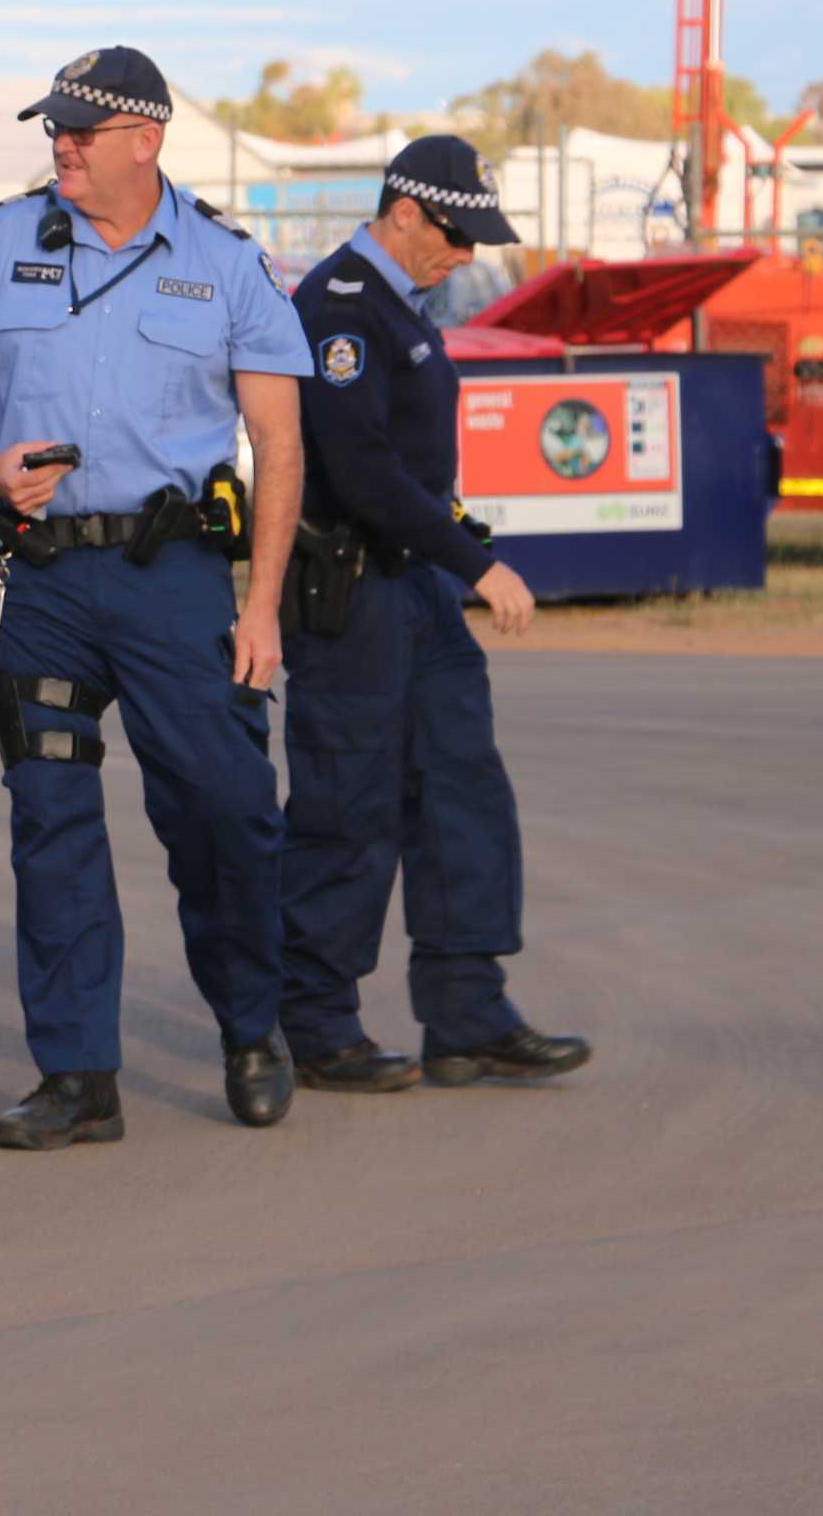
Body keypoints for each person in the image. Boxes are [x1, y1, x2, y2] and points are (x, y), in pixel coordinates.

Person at [0, 46, 313, 1150]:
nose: (63, 144)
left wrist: (261, 604)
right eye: (56, 127)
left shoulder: (227, 262)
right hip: (34, 576)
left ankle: (251, 1027)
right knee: (52, 820)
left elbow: (278, 440)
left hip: (171, 577)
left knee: (223, 806)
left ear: (149, 137)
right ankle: (78, 1073)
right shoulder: (2, 238)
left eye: (84, 128)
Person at [278, 136, 591, 1093]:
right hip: (355, 591)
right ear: (404, 212)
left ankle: (467, 1013)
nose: (466, 254)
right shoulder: (338, 308)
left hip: (415, 587)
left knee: (461, 790)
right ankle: (318, 1020)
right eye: (457, 235)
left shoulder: (403, 307)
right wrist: (477, 564)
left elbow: (415, 474)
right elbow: (363, 469)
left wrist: (451, 553)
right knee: (349, 806)